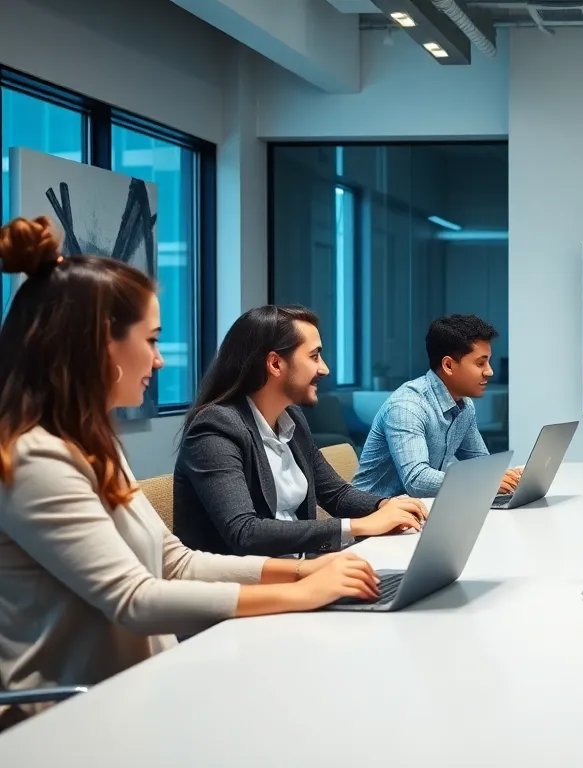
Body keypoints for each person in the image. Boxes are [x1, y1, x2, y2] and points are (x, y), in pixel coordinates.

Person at [0, 217, 379, 730]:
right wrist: (299, 593)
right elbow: (135, 599)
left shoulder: (92, 445)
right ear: (100, 344)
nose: (158, 360)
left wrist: (302, 571)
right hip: (70, 719)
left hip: (140, 687)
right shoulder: (33, 458)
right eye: (151, 340)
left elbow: (173, 562)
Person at [175, 307, 427, 557]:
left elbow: (336, 494)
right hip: (246, 579)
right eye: (314, 356)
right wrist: (358, 526)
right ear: (275, 364)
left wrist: (386, 506)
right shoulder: (214, 428)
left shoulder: (292, 419)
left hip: (299, 566)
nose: (324, 369)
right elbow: (245, 532)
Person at [354, 315, 520, 499]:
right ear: (448, 365)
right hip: (371, 511)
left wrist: (511, 476)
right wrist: (483, 481)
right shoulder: (407, 406)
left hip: (417, 508)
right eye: (480, 363)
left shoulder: (464, 406)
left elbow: (482, 465)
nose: (490, 371)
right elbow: (417, 481)